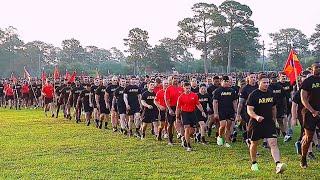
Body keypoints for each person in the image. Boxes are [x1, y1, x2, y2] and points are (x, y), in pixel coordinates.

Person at [246, 73, 286, 173]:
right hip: (256, 123)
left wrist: (274, 119)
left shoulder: (271, 93)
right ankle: (254, 163)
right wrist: (256, 116)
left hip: (269, 122)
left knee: (273, 142)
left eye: (268, 82)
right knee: (254, 143)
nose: (266, 84)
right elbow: (249, 110)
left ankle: (278, 164)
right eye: (264, 82)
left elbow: (273, 107)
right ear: (259, 82)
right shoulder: (254, 95)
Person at [300, 62, 320, 168]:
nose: (318, 69)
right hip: (310, 113)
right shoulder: (308, 81)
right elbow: (303, 98)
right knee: (309, 138)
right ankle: (303, 158)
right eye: (316, 67)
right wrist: (312, 111)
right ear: (312, 69)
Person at [176, 82, 206, 151]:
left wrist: (202, 111)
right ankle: (188, 145)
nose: (188, 90)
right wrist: (177, 117)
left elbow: (198, 104)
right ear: (183, 88)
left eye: (189, 88)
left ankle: (184, 138)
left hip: (192, 113)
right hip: (184, 113)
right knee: (186, 128)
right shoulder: (181, 97)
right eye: (186, 88)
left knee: (192, 131)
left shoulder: (194, 95)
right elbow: (178, 108)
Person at [213, 76, 238, 148]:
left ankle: (227, 141)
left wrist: (236, 111)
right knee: (223, 125)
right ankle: (220, 136)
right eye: (225, 81)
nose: (226, 83)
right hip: (221, 110)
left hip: (230, 110)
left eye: (227, 81)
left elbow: (234, 101)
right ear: (221, 82)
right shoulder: (217, 91)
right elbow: (215, 102)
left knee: (228, 126)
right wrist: (216, 112)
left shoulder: (232, 91)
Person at [164, 75, 184, 145]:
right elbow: (166, 100)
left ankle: (183, 139)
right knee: (170, 124)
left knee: (181, 123)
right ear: (171, 80)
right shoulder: (168, 89)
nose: (175, 80)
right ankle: (170, 140)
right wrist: (169, 109)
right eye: (174, 79)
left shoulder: (181, 88)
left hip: (180, 108)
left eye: (177, 79)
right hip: (171, 107)